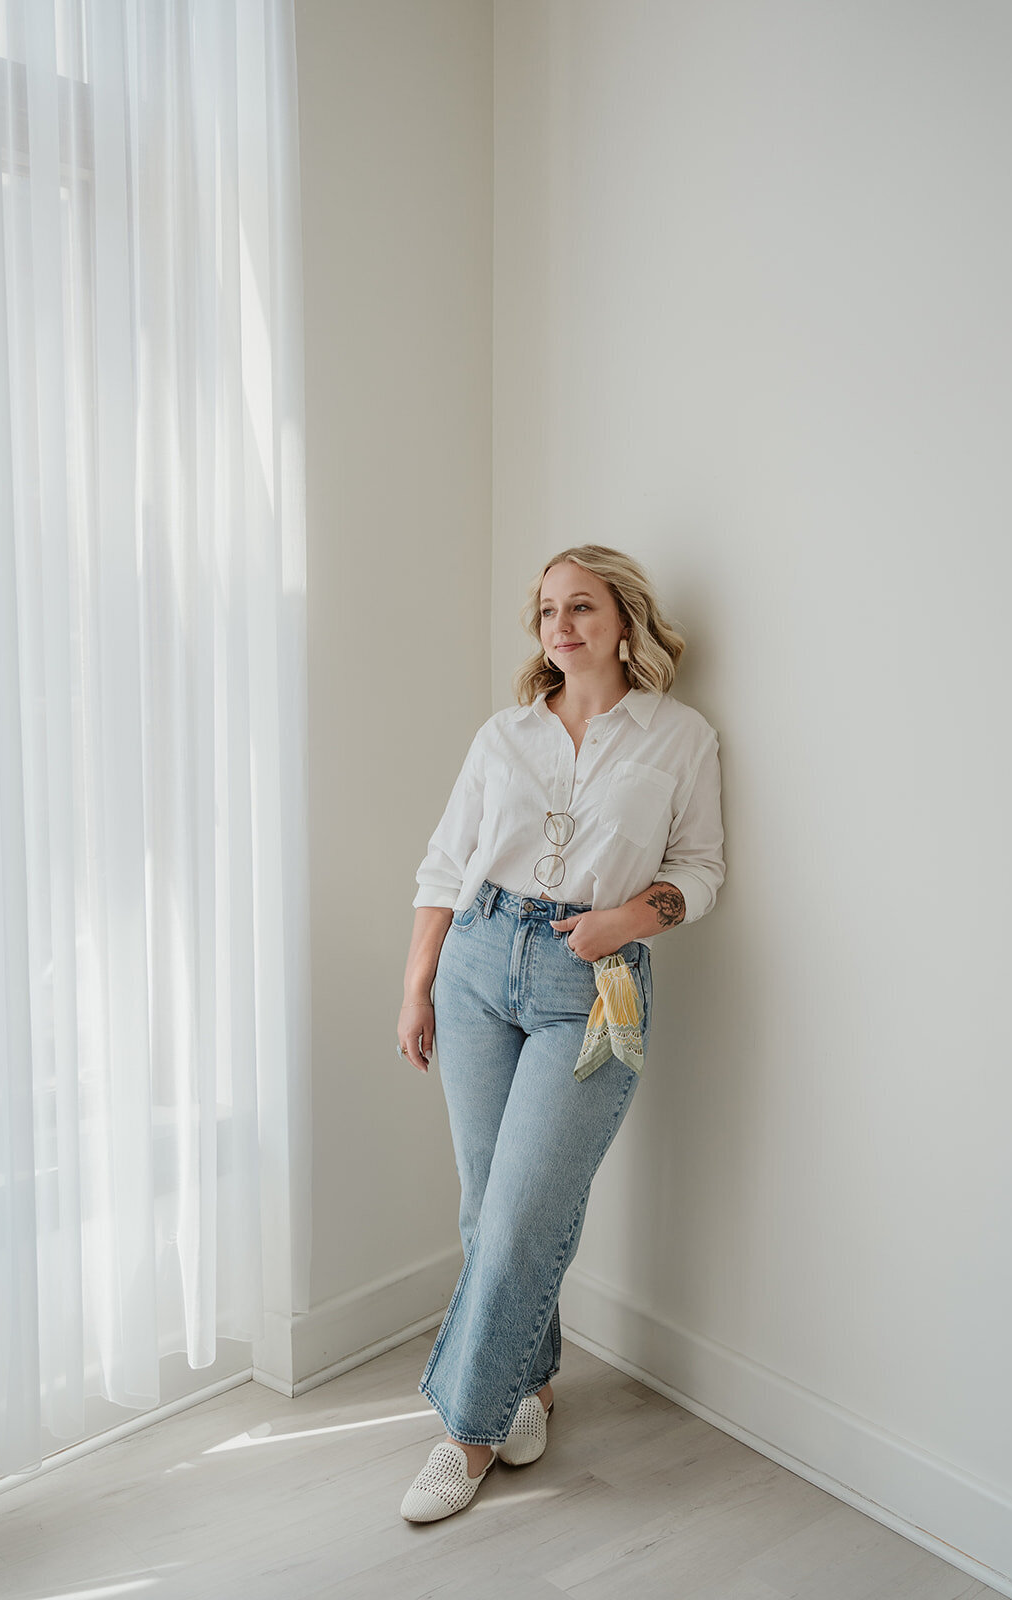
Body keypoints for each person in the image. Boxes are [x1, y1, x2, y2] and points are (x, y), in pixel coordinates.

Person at [396, 545, 725, 1522]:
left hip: (597, 981)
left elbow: (700, 866)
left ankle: (464, 1433)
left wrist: (629, 918)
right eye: (546, 610)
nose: (560, 625)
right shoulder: (501, 737)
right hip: (473, 966)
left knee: (523, 1209)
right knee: (482, 1201)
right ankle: (525, 1388)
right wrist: (415, 987)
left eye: (580, 606)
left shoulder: (680, 737)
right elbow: (442, 867)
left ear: (623, 619)